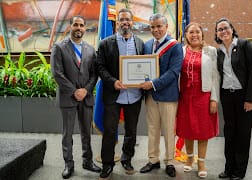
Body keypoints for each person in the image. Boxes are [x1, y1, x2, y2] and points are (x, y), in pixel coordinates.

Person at [50, 15, 101, 179]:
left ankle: (88, 161)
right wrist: (74, 91)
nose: (79, 28)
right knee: (68, 134)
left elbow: (94, 74)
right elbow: (57, 73)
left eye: (81, 25)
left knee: (87, 132)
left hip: (86, 98)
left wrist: (85, 90)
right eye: (75, 25)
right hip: (68, 98)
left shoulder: (90, 49)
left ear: (85, 28)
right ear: (70, 27)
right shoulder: (59, 47)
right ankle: (68, 164)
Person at [96, 8, 144, 179]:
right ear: (117, 23)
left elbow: (144, 66)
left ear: (132, 22)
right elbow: (100, 67)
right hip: (113, 95)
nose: (125, 23)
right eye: (122, 20)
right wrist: (113, 82)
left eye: (128, 20)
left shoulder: (140, 43)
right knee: (109, 130)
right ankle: (107, 163)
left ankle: (126, 158)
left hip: (135, 95)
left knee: (131, 131)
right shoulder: (105, 43)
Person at [214, 17, 252, 180]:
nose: (223, 31)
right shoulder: (218, 51)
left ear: (232, 29)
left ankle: (239, 171)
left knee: (243, 134)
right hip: (227, 96)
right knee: (230, 133)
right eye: (220, 29)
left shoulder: (244, 45)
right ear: (217, 34)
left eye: (226, 28)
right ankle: (228, 168)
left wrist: (250, 99)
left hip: (243, 97)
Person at [139, 13, 183, 178]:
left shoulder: (175, 46)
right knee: (152, 129)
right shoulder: (148, 44)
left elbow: (174, 72)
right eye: (152, 27)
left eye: (159, 26)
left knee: (168, 130)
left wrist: (153, 84)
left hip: (168, 96)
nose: (156, 29)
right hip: (150, 96)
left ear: (166, 27)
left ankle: (169, 161)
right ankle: (153, 159)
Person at [176, 22, 219, 178]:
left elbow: (215, 76)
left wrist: (214, 99)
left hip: (203, 96)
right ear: (186, 35)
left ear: (202, 34)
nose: (194, 35)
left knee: (202, 131)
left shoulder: (211, 51)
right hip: (185, 96)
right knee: (187, 130)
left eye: (197, 32)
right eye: (191, 32)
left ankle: (201, 163)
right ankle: (189, 160)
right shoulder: (180, 51)